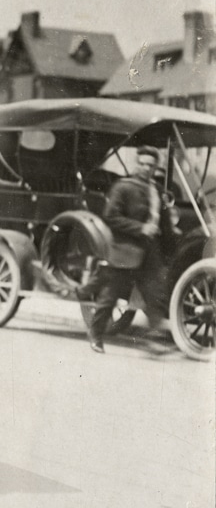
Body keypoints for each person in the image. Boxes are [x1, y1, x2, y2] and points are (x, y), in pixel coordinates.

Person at [79, 146, 175, 354]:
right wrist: (140, 228)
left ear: (155, 167)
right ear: (136, 164)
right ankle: (95, 333)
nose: (146, 168)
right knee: (110, 296)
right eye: (142, 164)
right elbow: (111, 217)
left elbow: (164, 222)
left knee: (154, 294)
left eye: (150, 165)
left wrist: (169, 246)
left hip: (150, 252)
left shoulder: (156, 191)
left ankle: (156, 336)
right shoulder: (123, 187)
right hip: (126, 250)